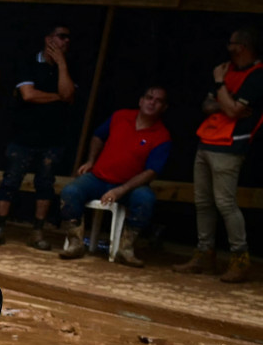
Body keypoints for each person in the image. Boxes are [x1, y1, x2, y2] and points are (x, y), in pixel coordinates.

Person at [177, 27, 261, 283]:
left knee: (225, 203)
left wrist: (220, 85)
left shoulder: (256, 75)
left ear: (242, 47)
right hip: (207, 140)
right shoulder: (228, 70)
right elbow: (208, 105)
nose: (227, 47)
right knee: (203, 202)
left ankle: (240, 259)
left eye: (231, 43)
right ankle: (205, 255)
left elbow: (234, 111)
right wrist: (227, 103)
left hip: (230, 144)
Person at [55, 86, 171, 269]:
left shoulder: (162, 136)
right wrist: (91, 160)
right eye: (149, 98)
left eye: (158, 101)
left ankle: (125, 249)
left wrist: (120, 190)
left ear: (164, 107)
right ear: (141, 101)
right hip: (98, 177)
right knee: (70, 191)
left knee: (145, 199)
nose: (152, 102)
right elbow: (98, 136)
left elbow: (151, 172)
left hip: (130, 186)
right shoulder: (120, 116)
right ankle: (75, 243)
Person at [0, 24, 75, 250]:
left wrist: (62, 65)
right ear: (48, 39)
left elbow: (68, 94)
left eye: (68, 38)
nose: (66, 41)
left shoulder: (68, 67)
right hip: (23, 136)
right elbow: (28, 95)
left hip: (53, 139)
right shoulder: (28, 62)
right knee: (10, 182)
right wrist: (58, 97)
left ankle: (37, 232)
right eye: (61, 36)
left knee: (45, 185)